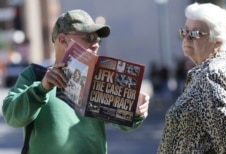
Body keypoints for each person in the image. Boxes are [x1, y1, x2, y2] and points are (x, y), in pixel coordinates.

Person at [2, 9, 150, 154]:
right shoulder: (35, 75)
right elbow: (12, 117)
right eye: (88, 38)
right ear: (62, 40)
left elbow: (125, 125)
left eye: (98, 39)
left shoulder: (98, 77)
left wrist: (135, 110)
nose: (96, 44)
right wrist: (41, 88)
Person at [157, 3, 226, 153]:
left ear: (217, 41)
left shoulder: (212, 75)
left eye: (195, 34)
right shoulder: (219, 69)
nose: (187, 38)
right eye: (184, 32)